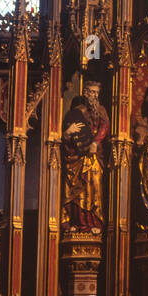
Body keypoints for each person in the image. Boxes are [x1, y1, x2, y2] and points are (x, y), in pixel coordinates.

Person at [61, 80, 109, 231]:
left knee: (94, 184)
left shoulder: (101, 111)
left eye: (96, 93)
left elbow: (105, 127)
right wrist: (68, 132)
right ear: (85, 93)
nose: (94, 96)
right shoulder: (77, 111)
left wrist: (96, 142)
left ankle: (93, 222)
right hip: (77, 157)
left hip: (94, 156)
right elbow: (66, 137)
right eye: (91, 92)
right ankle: (77, 221)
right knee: (76, 189)